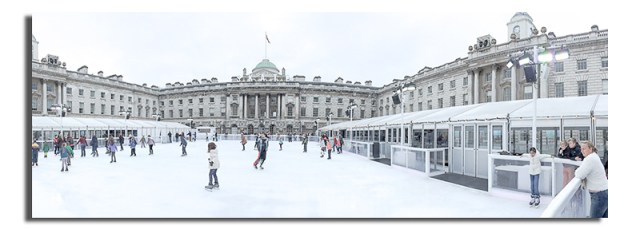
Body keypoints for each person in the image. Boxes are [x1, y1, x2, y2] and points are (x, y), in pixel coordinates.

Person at [575, 141, 608, 218]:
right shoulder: (594, 156)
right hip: (603, 193)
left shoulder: (590, 159)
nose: (582, 151)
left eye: (584, 149)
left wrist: (576, 170)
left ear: (590, 149)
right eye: (581, 149)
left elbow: (579, 174)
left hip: (599, 195)